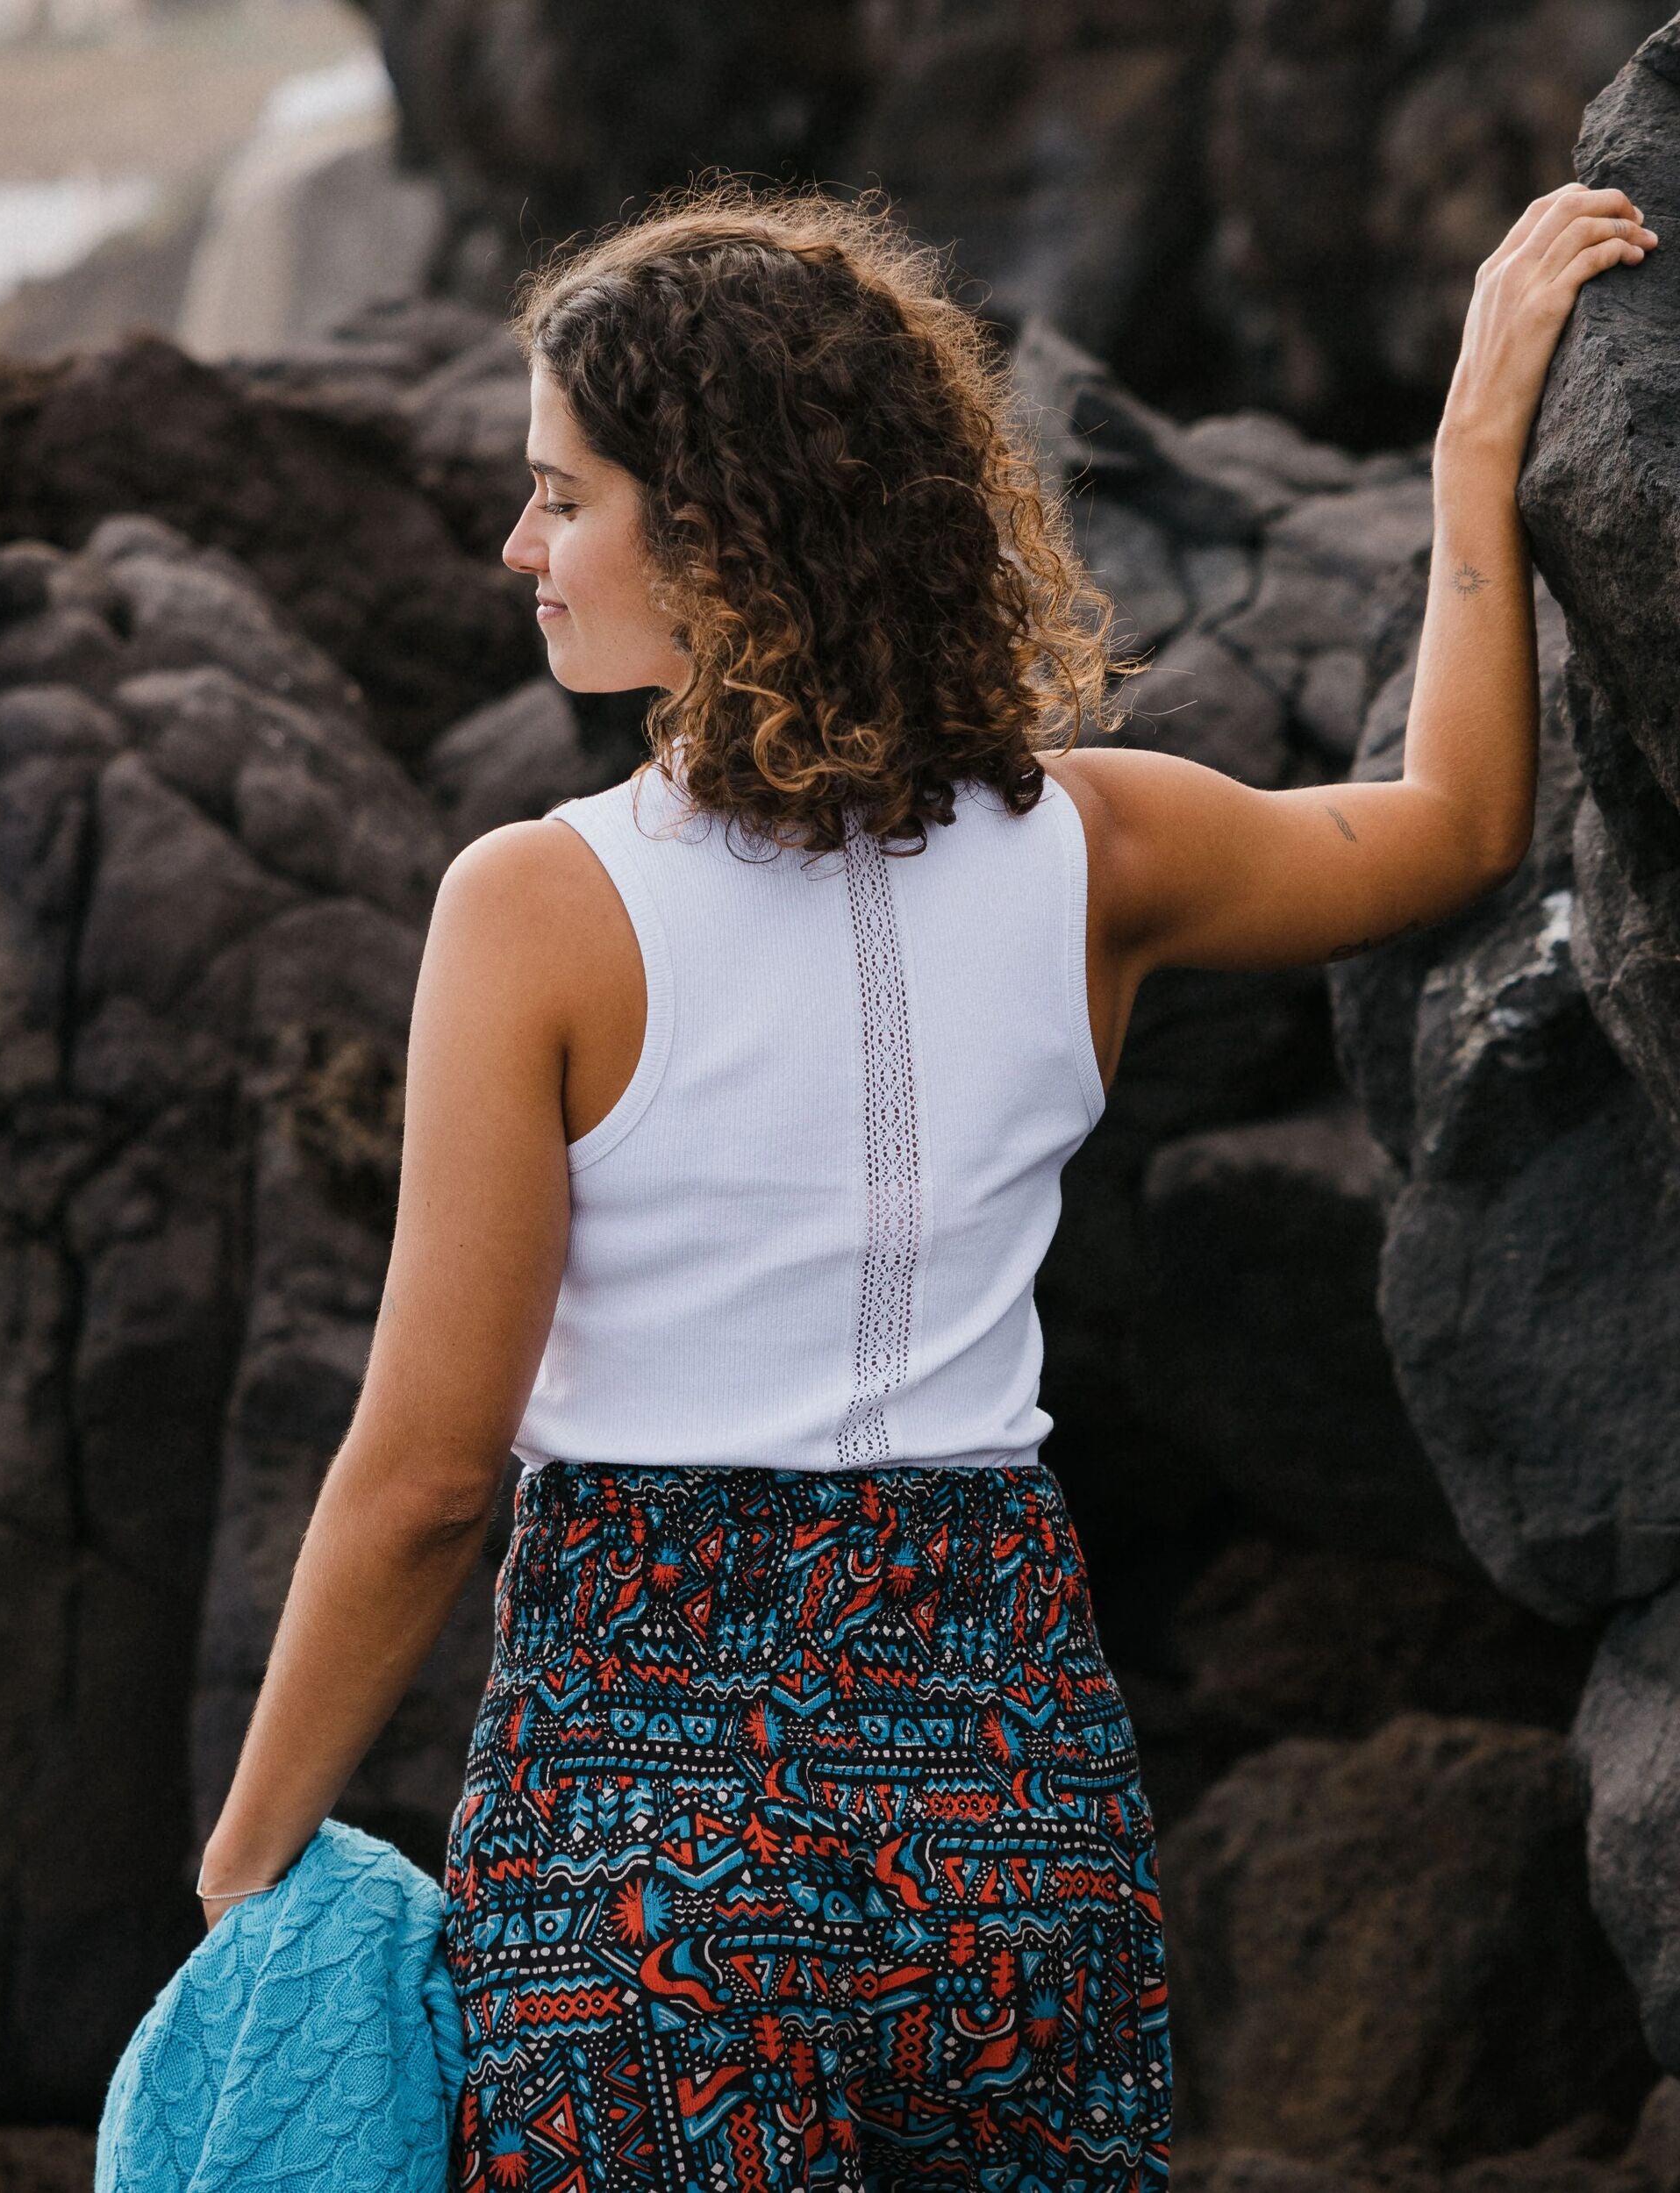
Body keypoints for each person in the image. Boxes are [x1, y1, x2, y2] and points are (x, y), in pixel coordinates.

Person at [192, 175, 1655, 2193]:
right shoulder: (1098, 851)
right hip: (1004, 1801)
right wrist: (1473, 446)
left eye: (561, 495)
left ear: (716, 535)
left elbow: (429, 1475)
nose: (519, 544)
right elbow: (1455, 821)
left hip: (653, 1842)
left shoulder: (534, 907)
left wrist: (247, 1859)